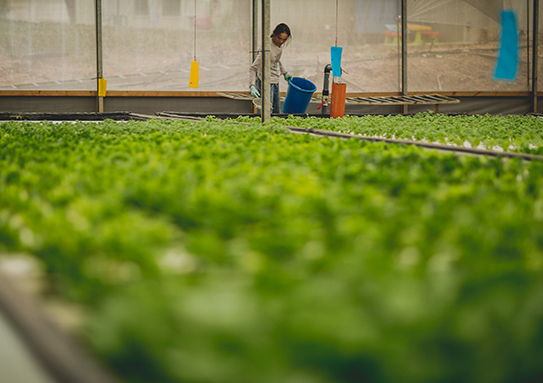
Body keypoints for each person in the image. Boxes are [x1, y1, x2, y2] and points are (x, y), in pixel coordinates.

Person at [249, 23, 293, 114]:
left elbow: (275, 60)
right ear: (274, 35)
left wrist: (285, 73)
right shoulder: (266, 48)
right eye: (279, 38)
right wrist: (252, 85)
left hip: (275, 81)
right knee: (266, 111)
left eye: (284, 39)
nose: (281, 42)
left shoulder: (279, 46)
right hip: (265, 82)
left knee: (276, 111)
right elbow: (253, 68)